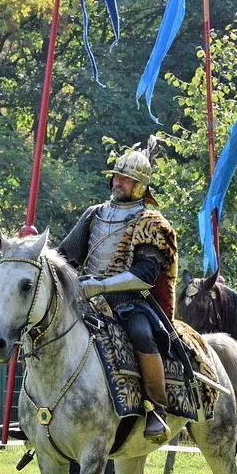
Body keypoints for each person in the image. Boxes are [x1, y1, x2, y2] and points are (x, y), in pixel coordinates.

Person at [59, 137, 178, 443]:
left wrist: (100, 285)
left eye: (128, 179)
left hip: (129, 300)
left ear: (141, 186)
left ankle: (156, 408)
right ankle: (41, 409)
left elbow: (145, 275)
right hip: (84, 298)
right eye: (118, 177)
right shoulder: (94, 213)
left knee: (142, 334)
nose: (120, 182)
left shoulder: (151, 222)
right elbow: (66, 257)